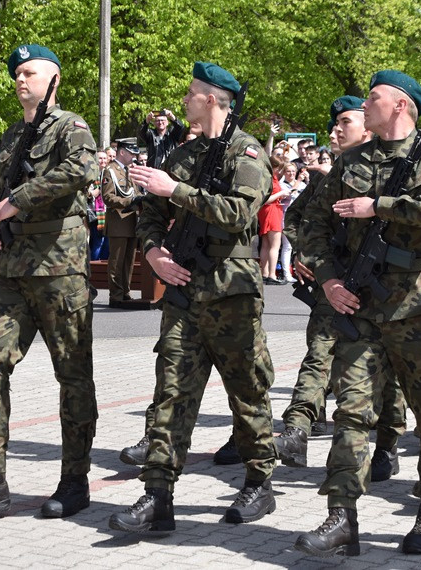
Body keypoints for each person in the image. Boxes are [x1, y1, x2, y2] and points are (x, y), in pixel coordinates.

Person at [296, 70, 421, 557]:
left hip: (419, 308)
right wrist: (327, 279)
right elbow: (312, 225)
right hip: (361, 307)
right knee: (351, 412)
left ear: (401, 107)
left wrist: (380, 206)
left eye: (374, 98)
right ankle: (341, 516)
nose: (364, 105)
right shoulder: (349, 162)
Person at [109, 61, 277, 534]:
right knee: (172, 393)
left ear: (211, 99)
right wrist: (154, 252)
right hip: (184, 292)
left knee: (246, 391)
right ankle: (157, 494)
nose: (183, 100)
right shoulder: (182, 156)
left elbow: (241, 212)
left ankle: (260, 481)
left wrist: (176, 190)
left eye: (190, 93)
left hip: (231, 295)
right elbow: (149, 214)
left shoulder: (245, 153)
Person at [0, 44, 99, 520]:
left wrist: (18, 200)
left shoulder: (72, 127)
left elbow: (81, 170)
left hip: (59, 269)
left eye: (29, 72)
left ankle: (75, 480)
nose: (19, 79)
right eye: (16, 73)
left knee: (72, 375)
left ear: (54, 78)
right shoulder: (11, 136)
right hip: (9, 272)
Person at [276, 95, 407, 481]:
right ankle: (297, 429)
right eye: (335, 123)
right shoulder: (325, 177)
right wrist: (308, 255)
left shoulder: (398, 169)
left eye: (345, 123)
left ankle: (386, 444)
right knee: (319, 354)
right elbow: (299, 221)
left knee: (390, 371)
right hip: (333, 285)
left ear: (367, 128)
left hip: (384, 291)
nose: (336, 129)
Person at [102, 137, 143, 307]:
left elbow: (137, 192)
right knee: (116, 262)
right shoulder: (110, 171)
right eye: (131, 153)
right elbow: (107, 197)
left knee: (128, 262)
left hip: (132, 222)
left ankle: (125, 292)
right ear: (122, 152)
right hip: (118, 223)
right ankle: (116, 295)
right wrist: (130, 202)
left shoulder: (129, 170)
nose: (134, 156)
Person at [258, 154, 290, 284]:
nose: (280, 171)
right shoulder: (270, 179)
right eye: (278, 168)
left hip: (268, 211)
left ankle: (264, 273)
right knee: (275, 245)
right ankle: (272, 275)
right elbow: (265, 200)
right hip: (272, 210)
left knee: (266, 244)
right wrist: (282, 193)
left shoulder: (269, 178)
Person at [278, 161, 306, 283]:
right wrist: (299, 181)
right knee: (287, 247)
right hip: (286, 218)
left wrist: (306, 180)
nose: (291, 174)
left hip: (301, 219)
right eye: (288, 171)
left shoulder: (301, 184)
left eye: (293, 171)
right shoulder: (281, 185)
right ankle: (286, 273)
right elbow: (290, 194)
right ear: (284, 172)